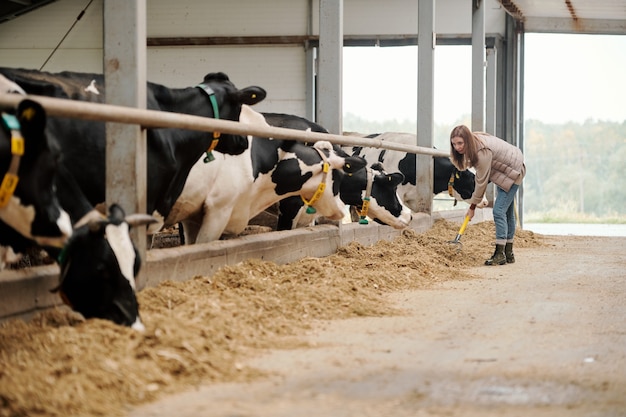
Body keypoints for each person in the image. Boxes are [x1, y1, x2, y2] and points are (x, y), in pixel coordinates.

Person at [449, 125, 526, 266]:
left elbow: (481, 183)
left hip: (514, 170)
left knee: (498, 211)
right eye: (454, 144)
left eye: (460, 143)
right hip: (505, 169)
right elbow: (482, 179)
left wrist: (472, 207)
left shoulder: (481, 152)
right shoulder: (475, 142)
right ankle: (509, 253)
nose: (457, 147)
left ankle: (500, 254)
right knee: (507, 212)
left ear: (467, 140)